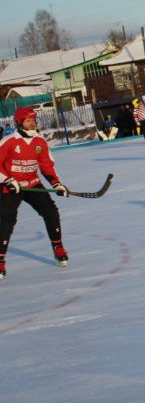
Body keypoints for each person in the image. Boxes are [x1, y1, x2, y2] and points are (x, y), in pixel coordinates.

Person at [0, 108, 71, 280]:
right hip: (11, 186)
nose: (33, 123)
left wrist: (57, 184)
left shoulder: (40, 141)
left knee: (51, 211)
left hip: (32, 184)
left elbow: (47, 165)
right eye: (28, 120)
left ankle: (58, 247)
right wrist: (8, 180)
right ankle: (0, 260)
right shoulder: (9, 142)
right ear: (19, 123)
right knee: (7, 220)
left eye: (34, 120)